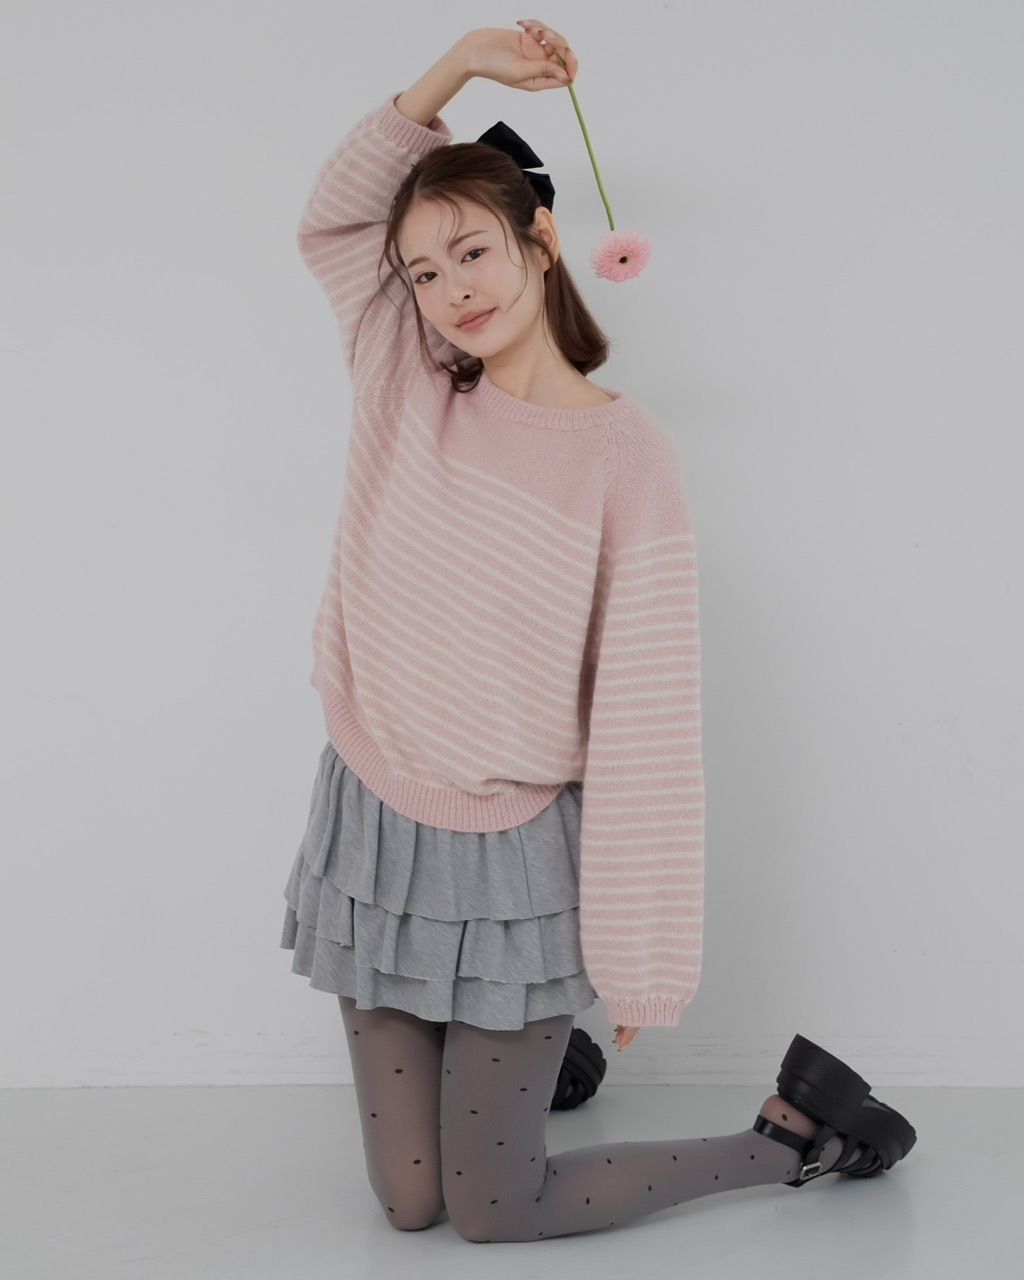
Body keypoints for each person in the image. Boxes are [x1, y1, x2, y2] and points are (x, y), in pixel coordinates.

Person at [279, 18, 916, 1243]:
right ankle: (538, 1063)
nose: (449, 291)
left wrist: (638, 955)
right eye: (423, 273)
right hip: (375, 819)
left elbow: (644, 719)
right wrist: (458, 66)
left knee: (492, 1210)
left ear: (542, 238)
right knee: (410, 1203)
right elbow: (337, 220)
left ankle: (791, 1134)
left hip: (513, 858)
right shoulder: (402, 373)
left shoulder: (626, 457)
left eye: (472, 250)